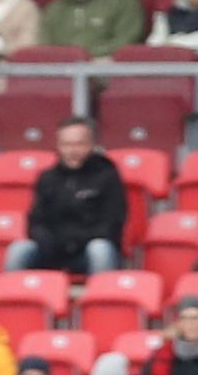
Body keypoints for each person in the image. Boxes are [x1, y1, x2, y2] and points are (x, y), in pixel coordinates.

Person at [13, 118, 129, 279]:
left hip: (88, 251)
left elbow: (112, 224)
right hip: (52, 250)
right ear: (58, 146)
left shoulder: (107, 176)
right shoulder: (47, 177)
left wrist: (72, 241)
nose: (72, 150)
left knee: (99, 249)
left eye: (79, 144)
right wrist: (48, 241)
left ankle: (102, 299)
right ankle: (12, 300)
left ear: (91, 145)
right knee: (19, 249)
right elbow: (36, 221)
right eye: (66, 144)